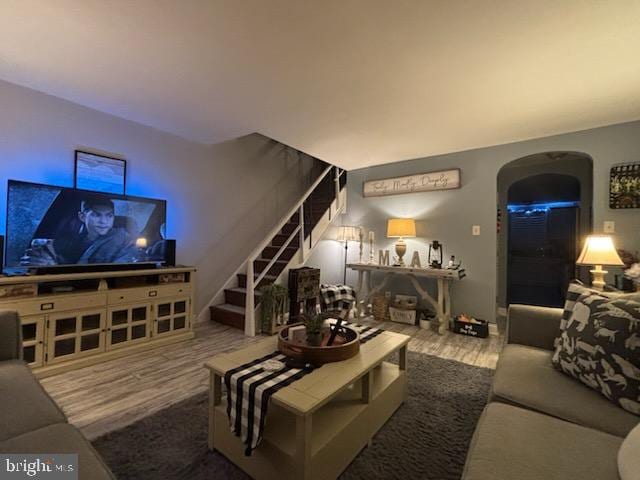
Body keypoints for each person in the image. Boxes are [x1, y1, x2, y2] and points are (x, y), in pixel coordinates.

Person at [22, 196, 139, 265]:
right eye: (97, 215)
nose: (104, 221)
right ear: (82, 217)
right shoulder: (71, 241)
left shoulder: (123, 239)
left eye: (109, 216)